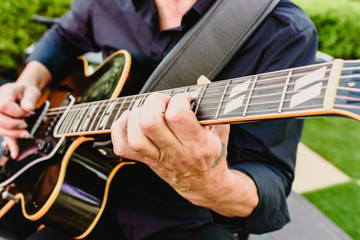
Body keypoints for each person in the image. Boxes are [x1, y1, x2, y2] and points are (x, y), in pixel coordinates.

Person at [0, 0, 318, 239]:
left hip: (185, 218)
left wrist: (211, 186)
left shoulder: (281, 31)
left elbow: (271, 180)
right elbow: (64, 35)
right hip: (78, 194)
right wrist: (30, 81)